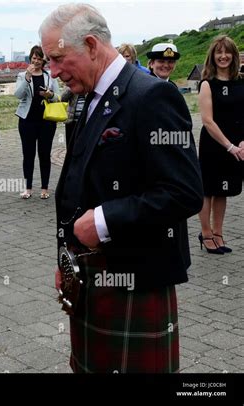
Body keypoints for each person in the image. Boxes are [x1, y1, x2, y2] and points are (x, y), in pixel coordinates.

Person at [40, 4, 203, 373]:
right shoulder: (88, 96)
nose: (53, 71)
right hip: (90, 275)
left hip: (136, 280)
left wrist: (102, 221)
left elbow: (185, 191)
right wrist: (65, 259)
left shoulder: (152, 97)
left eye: (58, 58)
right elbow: (76, 183)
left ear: (92, 45)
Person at [197, 35, 244, 254]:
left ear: (234, 56)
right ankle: (206, 234)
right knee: (208, 190)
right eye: (219, 52)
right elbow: (207, 121)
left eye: (227, 52)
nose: (223, 56)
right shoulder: (207, 84)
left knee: (222, 191)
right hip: (215, 146)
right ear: (213, 56)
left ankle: (219, 233)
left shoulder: (240, 83)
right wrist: (229, 146)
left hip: (235, 146)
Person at [14, 45, 60, 199]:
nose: (36, 61)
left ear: (44, 60)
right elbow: (18, 95)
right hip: (27, 121)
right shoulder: (22, 75)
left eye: (39, 58)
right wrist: (27, 77)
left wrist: (49, 94)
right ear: (30, 58)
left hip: (46, 121)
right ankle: (28, 188)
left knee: (44, 154)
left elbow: (58, 97)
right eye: (34, 58)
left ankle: (45, 188)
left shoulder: (50, 76)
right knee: (28, 154)